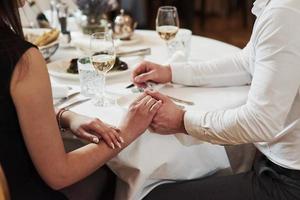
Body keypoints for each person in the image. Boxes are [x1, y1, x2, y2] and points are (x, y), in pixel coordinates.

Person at [132, 0, 300, 199]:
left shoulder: (285, 13)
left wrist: (180, 121)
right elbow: (247, 62)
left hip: (287, 181)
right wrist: (172, 72)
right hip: (277, 165)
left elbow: (259, 122)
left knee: (154, 196)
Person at [0, 0, 162, 199]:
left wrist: (64, 116)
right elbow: (59, 174)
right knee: (113, 175)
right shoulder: (22, 60)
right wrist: (128, 131)